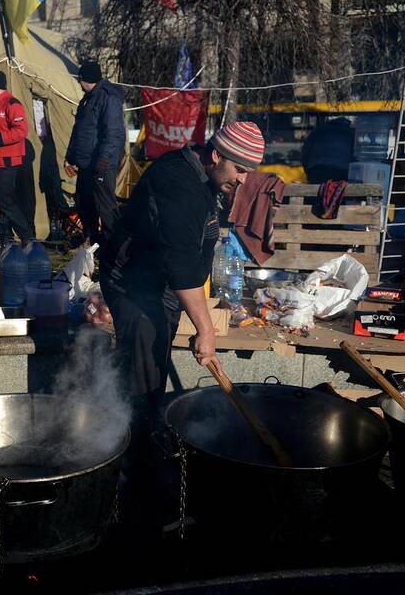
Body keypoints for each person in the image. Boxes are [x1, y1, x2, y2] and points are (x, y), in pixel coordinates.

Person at [103, 121, 265, 540]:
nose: (243, 179)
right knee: (144, 375)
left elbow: (193, 258)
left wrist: (199, 318)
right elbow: (179, 265)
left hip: (166, 286)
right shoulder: (176, 181)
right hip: (133, 284)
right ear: (216, 156)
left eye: (249, 171)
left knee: (153, 370)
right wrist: (206, 330)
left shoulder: (210, 178)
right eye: (239, 169)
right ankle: (131, 487)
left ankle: (146, 443)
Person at [65, 61, 125, 245]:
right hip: (85, 163)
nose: (78, 83)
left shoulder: (109, 98)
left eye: (79, 79)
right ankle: (92, 241)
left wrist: (104, 159)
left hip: (101, 164)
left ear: (85, 79)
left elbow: (112, 132)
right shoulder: (87, 99)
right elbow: (80, 130)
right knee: (84, 203)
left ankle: (114, 246)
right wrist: (71, 157)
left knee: (105, 206)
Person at [0, 71, 35, 243]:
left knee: (5, 201)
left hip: (7, 161)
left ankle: (27, 236)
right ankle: (6, 238)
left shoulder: (11, 104)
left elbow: (20, 131)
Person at [301, 116, 354, 183]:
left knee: (317, 191)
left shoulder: (318, 130)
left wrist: (308, 170)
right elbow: (356, 155)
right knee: (339, 191)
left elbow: (305, 152)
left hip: (317, 169)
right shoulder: (350, 133)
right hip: (342, 170)